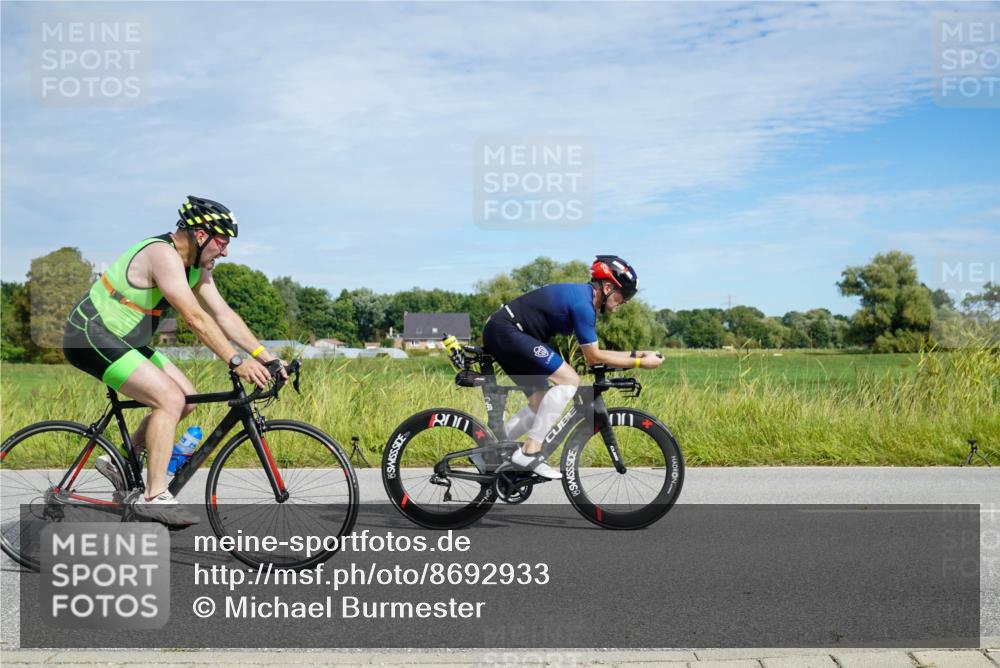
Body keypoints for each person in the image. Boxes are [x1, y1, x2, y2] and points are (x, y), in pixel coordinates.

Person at [62, 196, 284, 525]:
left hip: (126, 341)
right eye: (222, 241)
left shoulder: (197, 268)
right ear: (200, 234)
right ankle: (153, 496)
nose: (225, 252)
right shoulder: (162, 254)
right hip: (89, 335)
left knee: (187, 400)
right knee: (169, 398)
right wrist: (236, 360)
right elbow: (194, 317)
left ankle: (122, 460)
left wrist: (267, 357)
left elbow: (222, 314)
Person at [481, 255, 663, 479]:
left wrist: (638, 355)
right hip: (507, 331)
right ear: (607, 287)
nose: (626, 301)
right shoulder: (583, 306)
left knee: (539, 402)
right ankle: (530, 452)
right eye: (624, 294)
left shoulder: (585, 300)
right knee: (569, 380)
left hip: (510, 332)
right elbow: (594, 357)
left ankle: (492, 452)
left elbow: (595, 354)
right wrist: (639, 361)